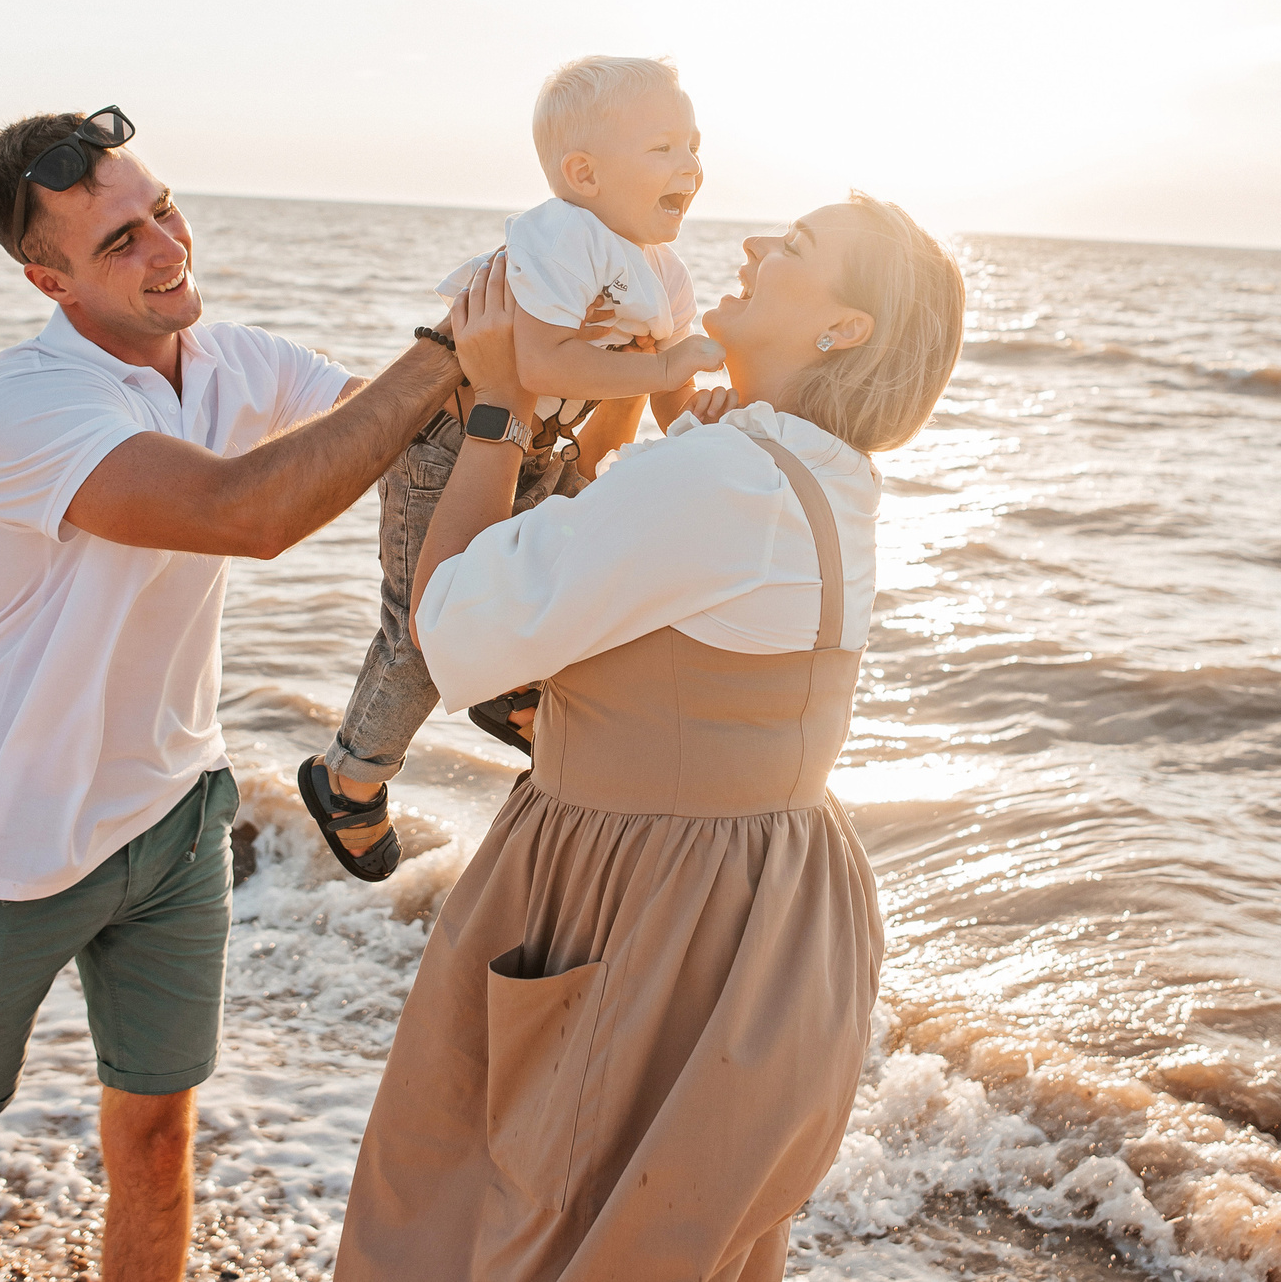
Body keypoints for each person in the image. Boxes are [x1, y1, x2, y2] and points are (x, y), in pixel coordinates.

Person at [0, 108, 469, 1282]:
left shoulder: (238, 361)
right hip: (22, 843)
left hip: (181, 817)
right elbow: (251, 512)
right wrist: (443, 348)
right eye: (118, 243)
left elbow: (403, 438)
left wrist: (541, 356)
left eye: (162, 211)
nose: (163, 248)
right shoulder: (27, 403)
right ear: (50, 281)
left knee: (155, 1133)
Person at [335, 193, 969, 1282]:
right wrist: (673, 396)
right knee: (663, 1240)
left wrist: (498, 407)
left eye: (796, 249)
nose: (757, 243)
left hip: (633, 893)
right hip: (773, 907)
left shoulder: (718, 477)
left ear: (842, 327)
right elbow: (702, 541)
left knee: (498, 1220)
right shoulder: (823, 471)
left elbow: (452, 630)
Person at [296, 56, 724, 882]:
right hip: (454, 443)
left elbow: (671, 387)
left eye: (696, 147)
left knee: (575, 562)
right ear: (583, 172)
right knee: (424, 625)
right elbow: (541, 362)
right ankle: (350, 775)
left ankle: (509, 689)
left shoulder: (663, 269)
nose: (690, 167)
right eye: (665, 147)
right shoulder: (563, 235)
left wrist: (708, 415)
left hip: (536, 452)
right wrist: (663, 370)